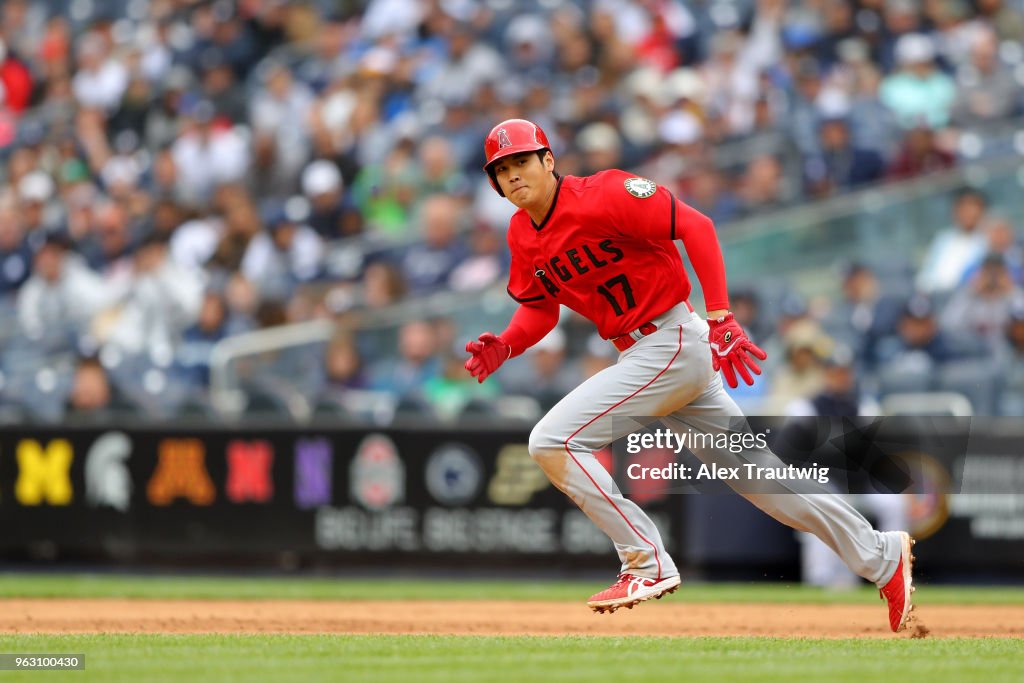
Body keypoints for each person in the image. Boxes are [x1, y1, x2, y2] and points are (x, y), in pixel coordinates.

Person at [464, 119, 915, 632]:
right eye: (501, 170)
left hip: (670, 340)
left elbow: (695, 226)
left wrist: (721, 316)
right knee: (761, 479)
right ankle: (881, 557)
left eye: (521, 161)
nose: (513, 175)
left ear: (548, 160)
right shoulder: (522, 234)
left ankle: (645, 560)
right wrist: (507, 343)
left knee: (552, 441)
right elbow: (540, 310)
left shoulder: (607, 192)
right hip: (647, 353)